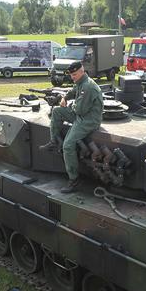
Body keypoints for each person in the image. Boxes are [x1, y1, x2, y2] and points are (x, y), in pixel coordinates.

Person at [39, 61, 103, 193]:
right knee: (57, 111)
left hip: (89, 120)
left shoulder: (88, 87)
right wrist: (65, 97)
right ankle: (53, 141)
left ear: (82, 71)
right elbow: (74, 90)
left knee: (68, 145)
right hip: (81, 115)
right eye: (71, 75)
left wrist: (68, 105)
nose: (72, 77)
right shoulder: (81, 82)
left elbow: (79, 110)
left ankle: (74, 180)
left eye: (74, 74)